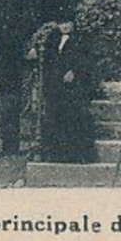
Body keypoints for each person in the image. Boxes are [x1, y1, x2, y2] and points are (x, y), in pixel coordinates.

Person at [35, 21, 97, 163]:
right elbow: (48, 58)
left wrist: (74, 71)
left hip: (74, 87)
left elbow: (85, 60)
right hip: (56, 85)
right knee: (56, 117)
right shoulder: (53, 39)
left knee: (73, 119)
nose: (65, 26)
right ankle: (57, 154)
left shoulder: (80, 40)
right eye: (61, 23)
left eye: (68, 23)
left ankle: (77, 155)